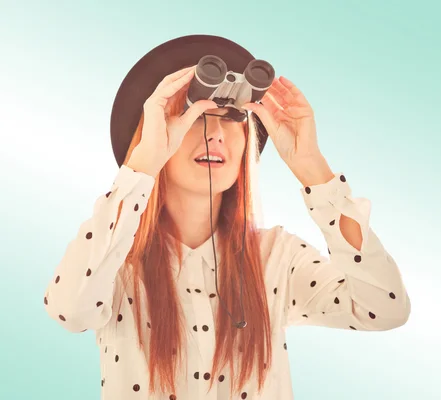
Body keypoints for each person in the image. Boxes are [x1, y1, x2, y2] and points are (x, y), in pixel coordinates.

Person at [43, 35, 411, 400]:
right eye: (196, 117)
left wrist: (311, 166)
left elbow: (384, 307)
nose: (216, 133)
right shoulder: (115, 263)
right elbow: (69, 310)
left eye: (234, 118)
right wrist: (143, 162)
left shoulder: (275, 258)